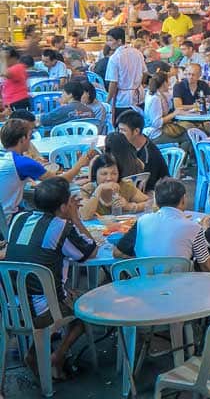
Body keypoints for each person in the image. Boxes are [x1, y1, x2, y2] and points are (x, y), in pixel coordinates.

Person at [5, 178, 96, 383]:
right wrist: (76, 219)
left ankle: (36, 352)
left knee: (60, 292)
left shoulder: (17, 219)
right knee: (88, 307)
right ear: (64, 206)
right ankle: (58, 356)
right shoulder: (61, 227)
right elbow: (89, 251)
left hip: (11, 307)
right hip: (43, 312)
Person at [115, 178, 210, 271]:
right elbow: (206, 265)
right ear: (183, 199)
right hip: (181, 288)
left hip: (145, 287)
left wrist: (142, 259)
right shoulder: (194, 228)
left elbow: (117, 252)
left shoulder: (142, 221)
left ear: (156, 201)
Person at [1, 118, 88, 218]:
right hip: (6, 218)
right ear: (22, 139)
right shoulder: (22, 162)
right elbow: (59, 181)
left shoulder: (5, 157)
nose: (30, 141)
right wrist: (80, 164)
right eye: (29, 137)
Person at [105, 110, 169, 192]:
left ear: (136, 131)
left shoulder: (149, 155)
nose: (119, 133)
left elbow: (145, 185)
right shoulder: (129, 144)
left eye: (123, 130)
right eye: (119, 130)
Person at [79, 154, 150, 220]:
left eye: (114, 173)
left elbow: (150, 202)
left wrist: (129, 206)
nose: (109, 178)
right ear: (95, 174)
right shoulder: (87, 190)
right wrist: (98, 190)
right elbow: (85, 216)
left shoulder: (125, 186)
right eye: (104, 174)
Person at [104, 27, 147, 119]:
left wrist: (108, 100)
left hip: (122, 99)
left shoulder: (115, 58)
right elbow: (145, 73)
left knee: (123, 124)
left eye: (110, 40)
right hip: (139, 94)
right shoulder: (138, 52)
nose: (108, 43)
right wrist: (138, 84)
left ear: (119, 41)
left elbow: (113, 82)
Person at [2, 45, 31, 112]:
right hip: (12, 102)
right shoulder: (12, 68)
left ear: (13, 58)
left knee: (20, 121)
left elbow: (4, 73)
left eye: (6, 59)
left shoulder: (18, 67)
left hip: (18, 102)